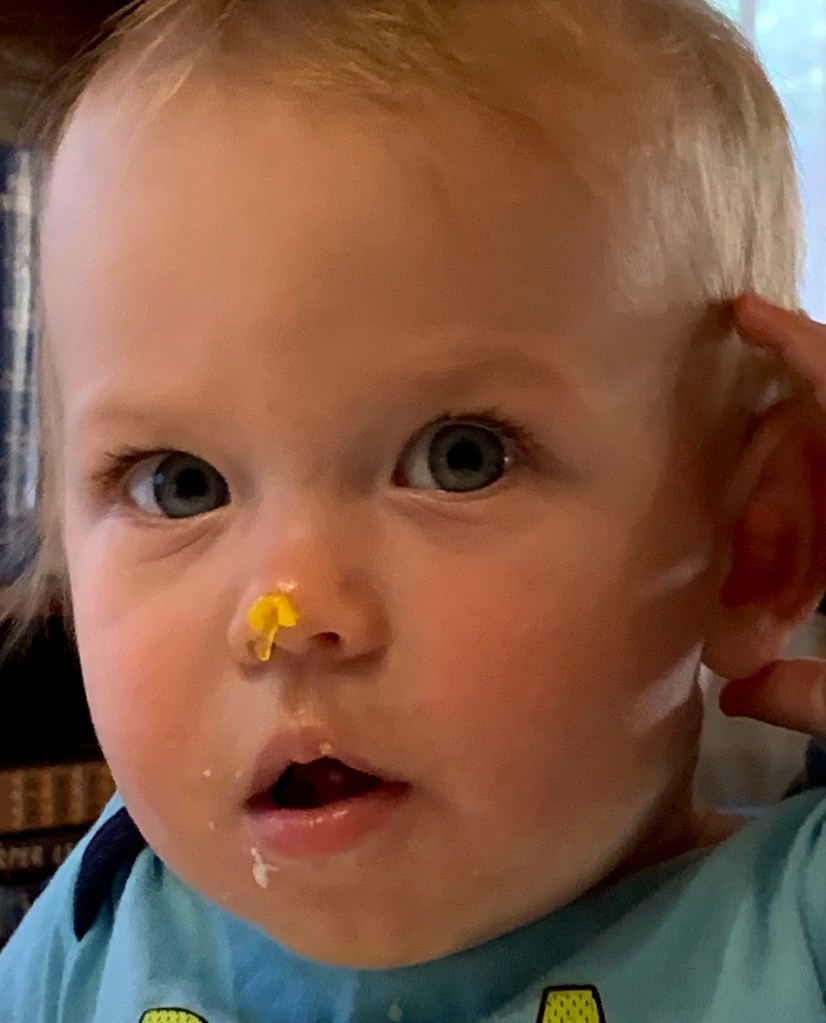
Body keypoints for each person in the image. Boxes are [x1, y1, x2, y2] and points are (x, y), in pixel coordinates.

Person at [2, 1, 826, 1019]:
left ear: (755, 544)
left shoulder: (792, 934)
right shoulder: (99, 924)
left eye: (458, 460)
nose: (288, 615)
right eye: (181, 484)